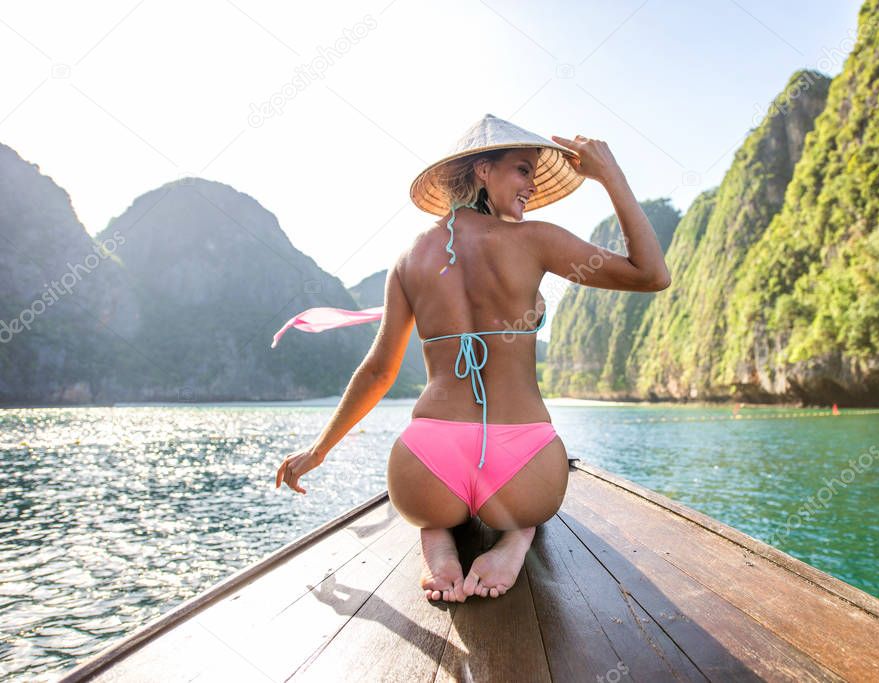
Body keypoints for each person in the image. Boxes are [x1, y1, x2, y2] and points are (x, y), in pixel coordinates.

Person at [275, 114, 671, 603]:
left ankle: (438, 540)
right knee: (523, 516)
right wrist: (611, 175)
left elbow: (379, 371)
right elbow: (652, 273)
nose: (529, 184)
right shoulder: (536, 241)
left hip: (424, 466)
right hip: (523, 464)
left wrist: (318, 451)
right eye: (522, 169)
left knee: (435, 515)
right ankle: (515, 537)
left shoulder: (409, 258)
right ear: (483, 170)